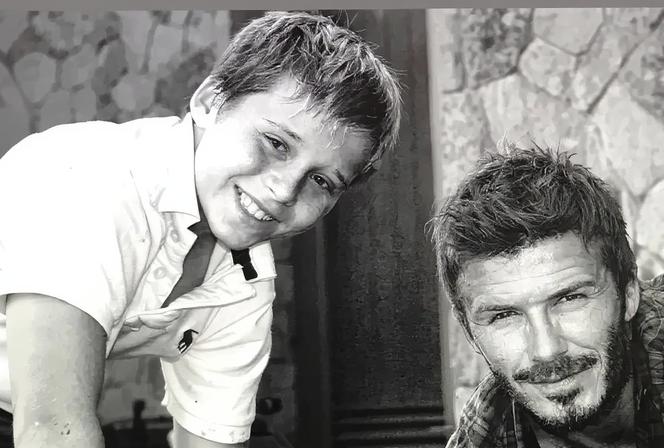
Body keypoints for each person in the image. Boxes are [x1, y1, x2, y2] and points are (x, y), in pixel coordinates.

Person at [0, 11, 401, 448]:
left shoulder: (246, 280)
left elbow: (211, 441)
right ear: (210, 101)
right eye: (276, 143)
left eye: (321, 181)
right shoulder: (89, 178)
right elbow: (51, 430)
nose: (285, 190)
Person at [431, 142, 664, 447]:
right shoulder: (491, 423)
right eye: (504, 316)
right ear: (470, 333)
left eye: (570, 298)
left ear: (629, 292)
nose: (546, 350)